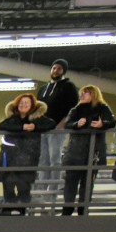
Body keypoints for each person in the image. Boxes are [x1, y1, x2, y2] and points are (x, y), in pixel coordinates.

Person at [0, 93, 55, 215]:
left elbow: (51, 124)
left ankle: (21, 213)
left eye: (26, 102)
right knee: (8, 185)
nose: (23, 105)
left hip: (28, 159)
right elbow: (1, 126)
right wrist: (22, 127)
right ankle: (8, 211)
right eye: (21, 103)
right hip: (9, 158)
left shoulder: (38, 118)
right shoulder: (13, 118)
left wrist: (35, 126)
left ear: (32, 105)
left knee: (23, 188)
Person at [61, 85, 115, 216]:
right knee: (70, 183)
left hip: (93, 152)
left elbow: (112, 121)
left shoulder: (103, 108)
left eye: (86, 93)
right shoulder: (76, 109)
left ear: (93, 94)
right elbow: (67, 124)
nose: (82, 95)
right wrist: (77, 124)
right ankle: (67, 209)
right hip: (74, 152)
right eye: (82, 93)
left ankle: (83, 210)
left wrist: (103, 124)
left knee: (87, 184)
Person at [37, 58, 78, 186]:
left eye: (59, 68)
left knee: (54, 158)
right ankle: (42, 189)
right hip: (43, 128)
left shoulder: (69, 87)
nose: (55, 70)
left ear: (63, 71)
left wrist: (62, 124)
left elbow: (73, 108)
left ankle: (53, 189)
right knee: (43, 159)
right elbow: (37, 108)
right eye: (54, 68)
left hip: (57, 128)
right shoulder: (43, 88)